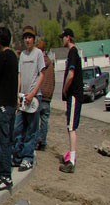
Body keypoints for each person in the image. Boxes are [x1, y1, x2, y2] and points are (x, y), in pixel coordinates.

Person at [0, 27, 18, 192]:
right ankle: (4, 171)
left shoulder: (2, 57)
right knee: (7, 139)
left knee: (2, 141)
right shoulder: (13, 56)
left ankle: (5, 176)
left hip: (3, 104)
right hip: (12, 103)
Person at [13, 26, 45, 170]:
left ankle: (27, 157)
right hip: (23, 97)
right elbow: (19, 75)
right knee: (18, 128)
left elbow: (41, 75)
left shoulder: (38, 54)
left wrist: (33, 93)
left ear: (33, 39)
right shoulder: (23, 55)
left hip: (34, 97)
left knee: (32, 129)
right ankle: (17, 155)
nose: (27, 40)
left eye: (30, 37)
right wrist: (18, 94)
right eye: (25, 37)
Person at [59, 28, 82, 174]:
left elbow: (71, 74)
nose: (62, 39)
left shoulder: (72, 52)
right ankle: (71, 156)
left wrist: (65, 89)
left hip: (74, 94)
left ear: (68, 37)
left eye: (63, 37)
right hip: (73, 95)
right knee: (70, 127)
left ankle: (72, 161)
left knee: (72, 128)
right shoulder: (73, 53)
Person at [35, 39, 54, 151]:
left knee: (35, 120)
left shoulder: (39, 62)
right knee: (45, 120)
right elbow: (53, 80)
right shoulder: (50, 63)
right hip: (48, 95)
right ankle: (44, 142)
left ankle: (37, 140)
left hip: (39, 94)